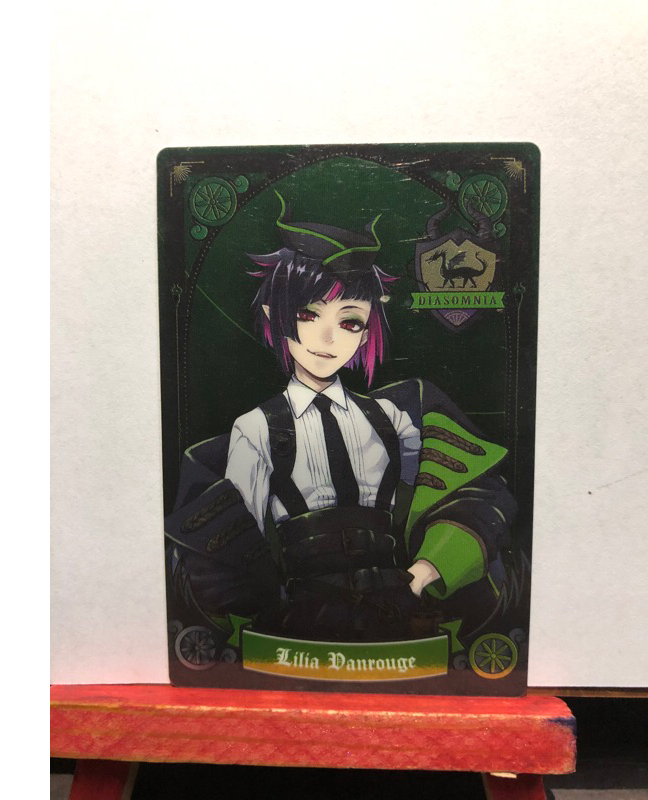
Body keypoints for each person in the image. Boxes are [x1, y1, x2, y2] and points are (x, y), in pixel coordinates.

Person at [165, 193, 519, 645]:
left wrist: (420, 575)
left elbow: (454, 495)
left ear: (368, 329)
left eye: (350, 321)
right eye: (307, 314)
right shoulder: (254, 428)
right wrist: (273, 605)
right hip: (304, 615)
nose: (328, 338)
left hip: (400, 607)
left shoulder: (394, 417)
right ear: (274, 316)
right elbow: (240, 545)